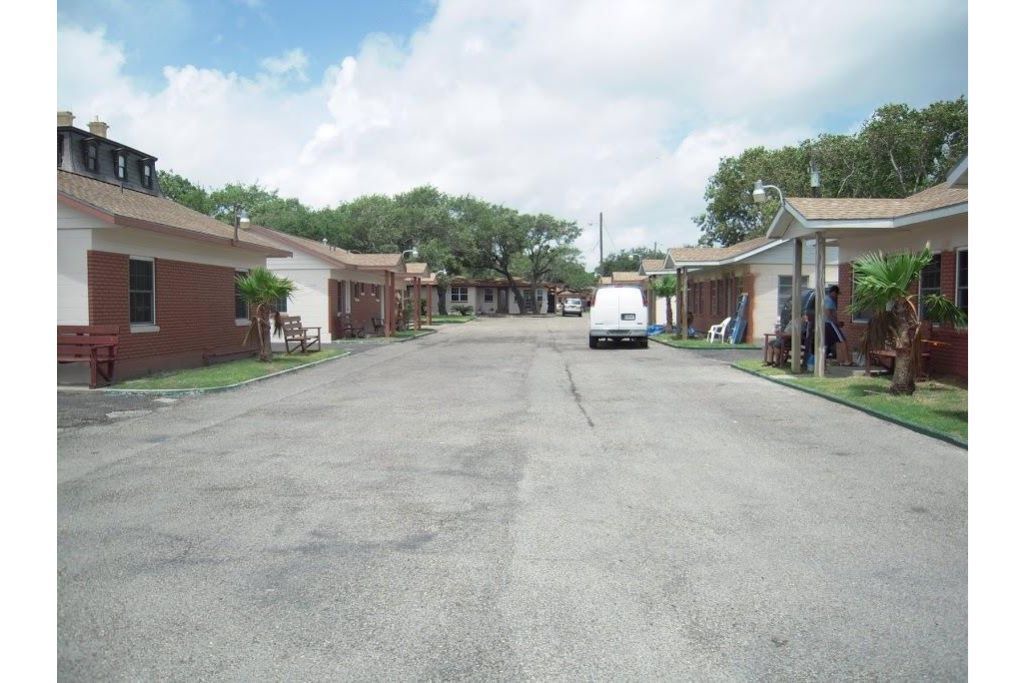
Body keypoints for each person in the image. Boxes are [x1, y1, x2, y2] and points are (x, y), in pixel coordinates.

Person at [823, 284, 853, 366]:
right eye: (836, 294)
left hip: (825, 324)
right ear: (833, 292)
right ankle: (847, 361)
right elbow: (828, 314)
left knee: (825, 344)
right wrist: (837, 323)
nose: (837, 296)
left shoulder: (825, 299)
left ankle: (822, 362)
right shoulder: (829, 300)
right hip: (830, 323)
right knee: (843, 340)